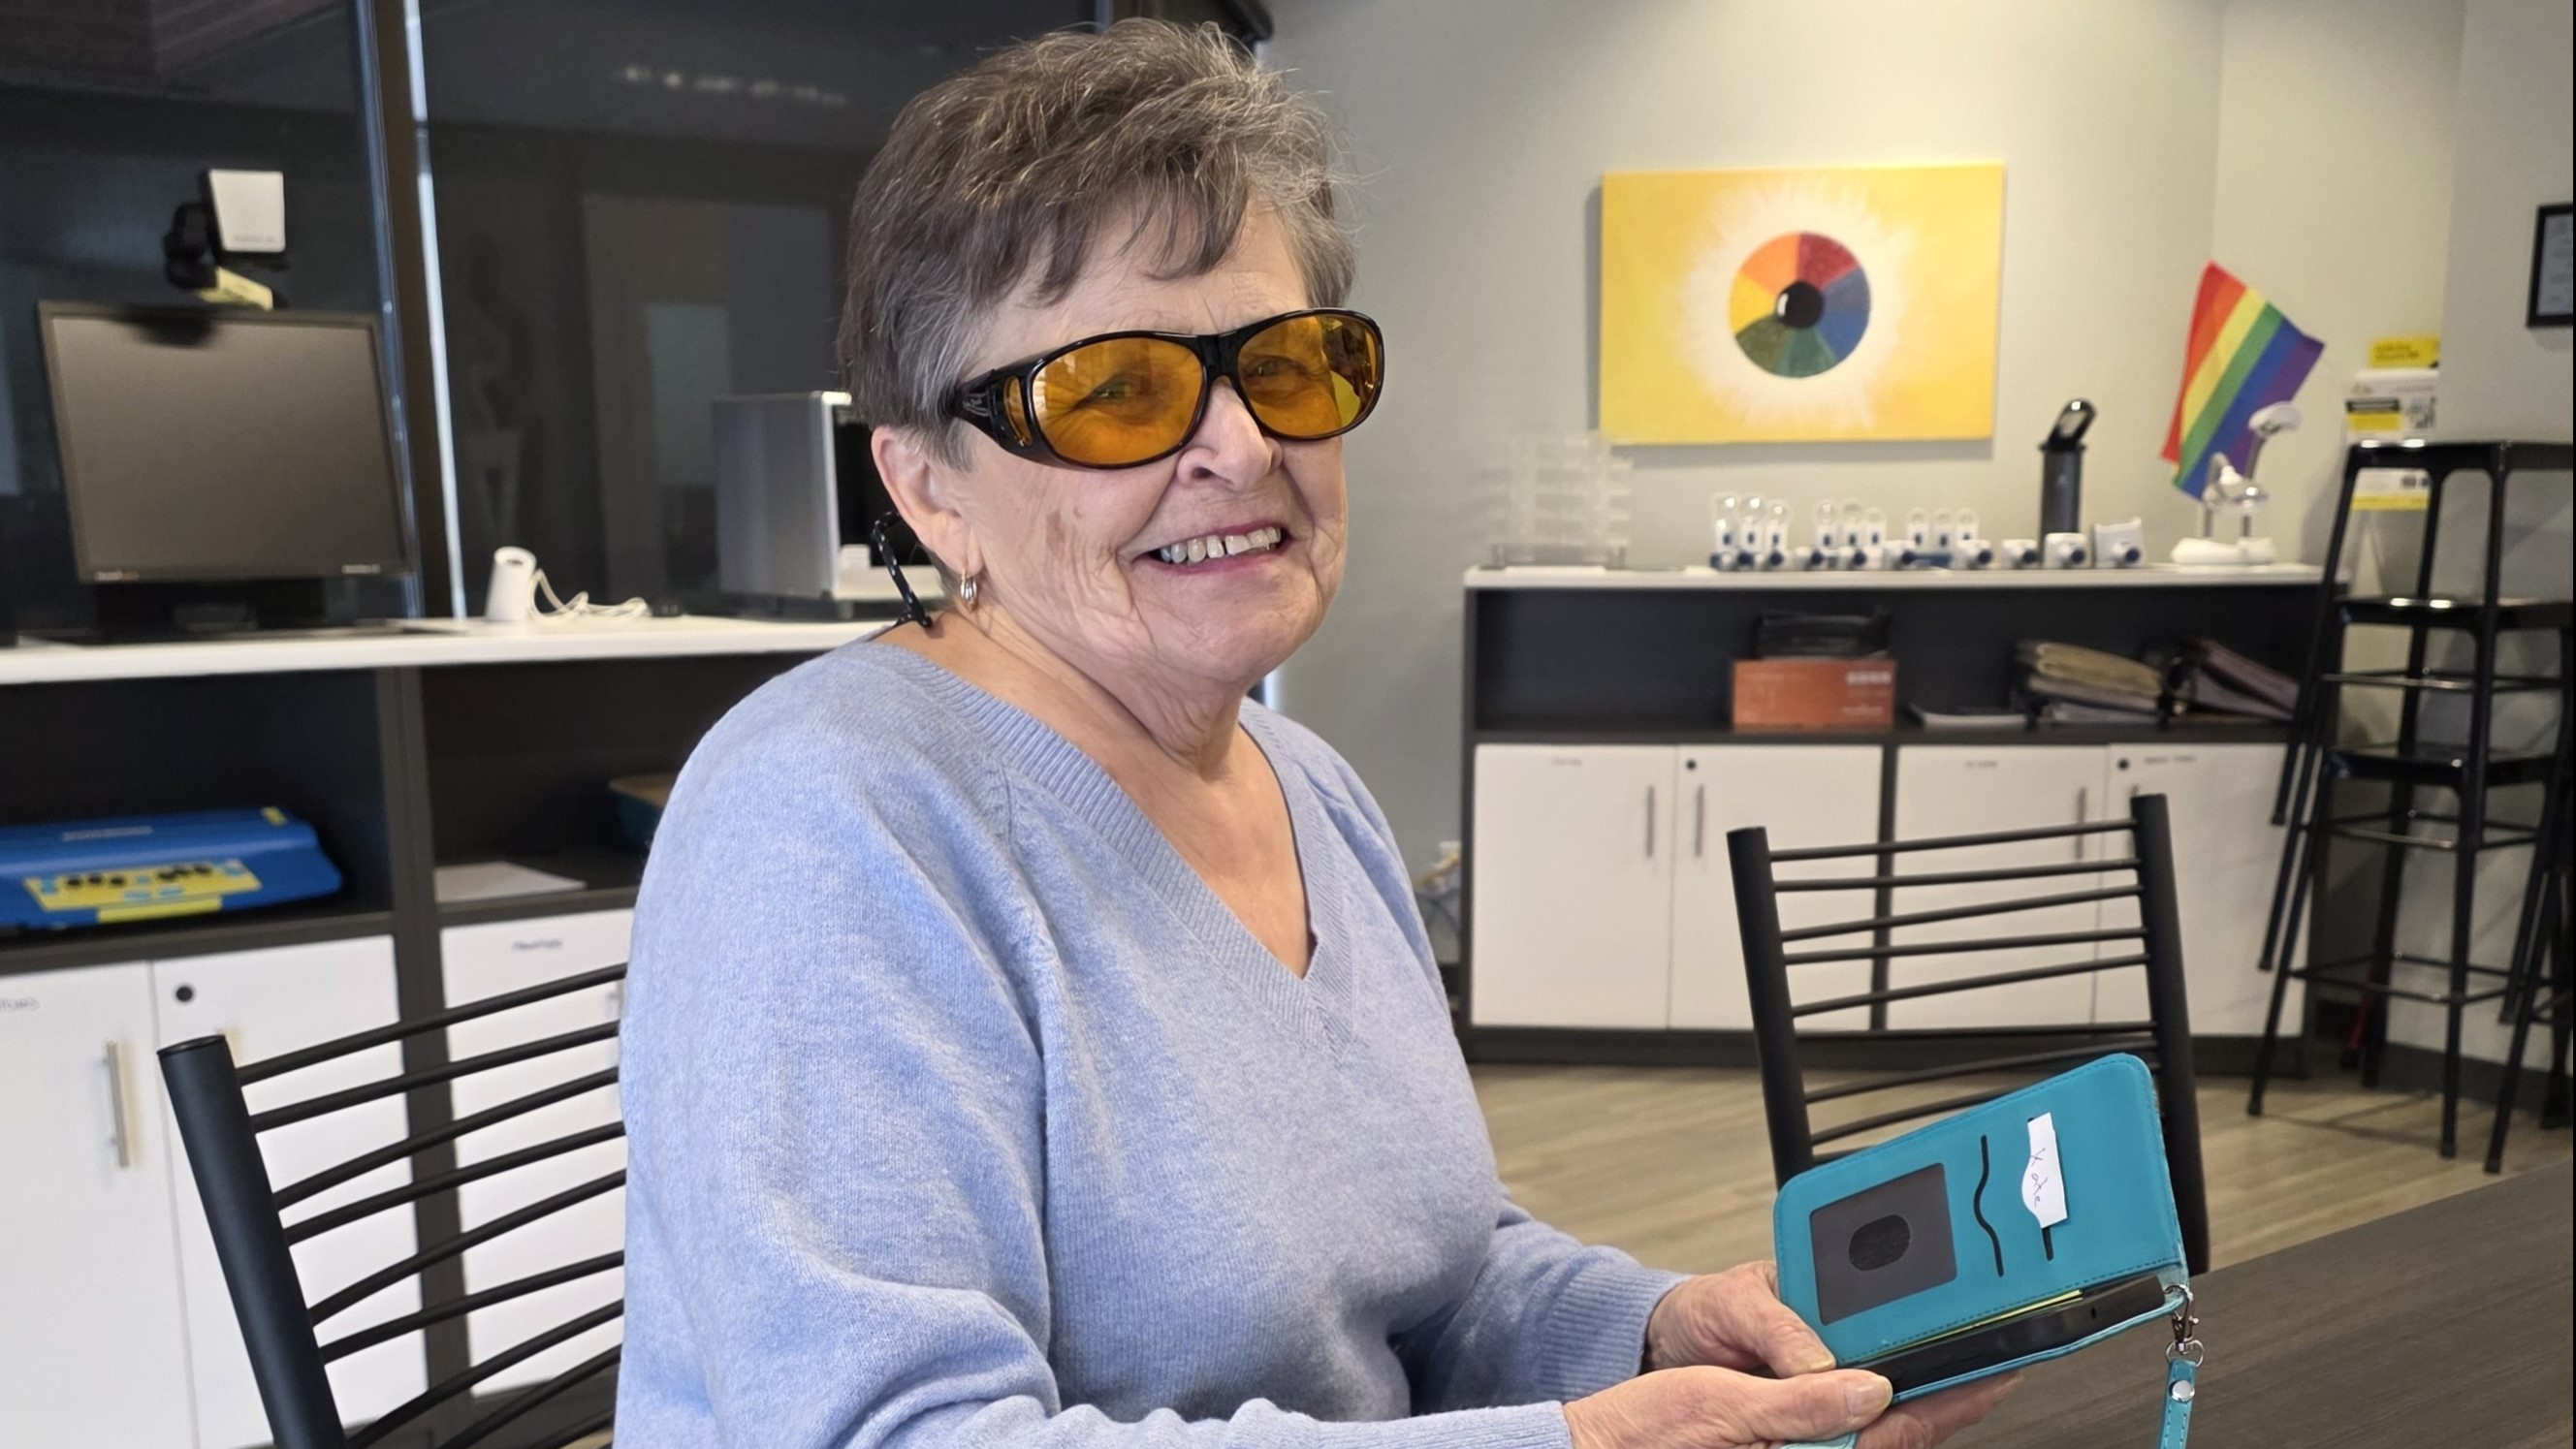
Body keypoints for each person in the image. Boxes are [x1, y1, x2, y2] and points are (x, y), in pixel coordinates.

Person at [616, 20, 2015, 1449]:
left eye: (1286, 364)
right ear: (926, 491)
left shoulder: (1308, 785)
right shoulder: (828, 822)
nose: (1242, 444)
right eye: (1114, 389)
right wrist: (1572, 1447)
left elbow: (1424, 1282)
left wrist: (1647, 1329)